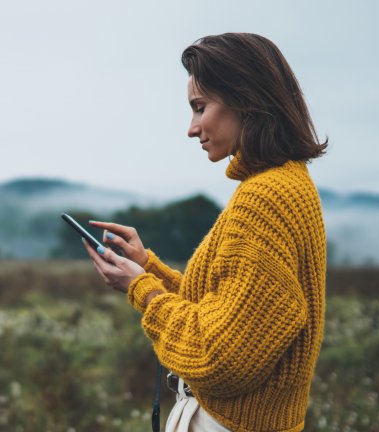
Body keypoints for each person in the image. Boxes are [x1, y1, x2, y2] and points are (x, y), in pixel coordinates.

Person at [83, 33, 327, 431]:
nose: (192, 128)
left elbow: (219, 357)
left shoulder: (265, 198)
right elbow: (231, 314)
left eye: (200, 108)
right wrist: (147, 268)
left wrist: (143, 290)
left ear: (247, 99)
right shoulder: (286, 184)